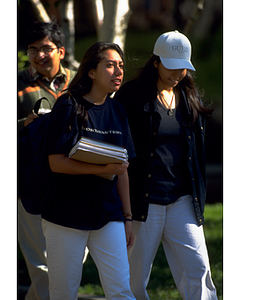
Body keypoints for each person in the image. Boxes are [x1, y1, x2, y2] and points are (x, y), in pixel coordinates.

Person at [114, 31, 218, 300]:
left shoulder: (188, 95)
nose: (178, 73)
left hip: (182, 198)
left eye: (183, 67)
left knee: (198, 270)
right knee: (133, 278)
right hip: (142, 202)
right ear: (156, 62)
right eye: (171, 66)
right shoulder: (131, 96)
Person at [41, 42, 136, 300]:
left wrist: (127, 218)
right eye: (109, 64)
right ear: (91, 72)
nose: (118, 71)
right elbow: (56, 162)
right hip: (66, 215)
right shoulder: (68, 106)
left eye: (121, 65)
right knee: (64, 293)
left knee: (121, 291)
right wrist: (102, 168)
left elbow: (122, 168)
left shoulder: (118, 111)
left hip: (109, 214)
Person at [17, 21, 75, 300]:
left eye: (46, 48)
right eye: (32, 49)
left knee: (70, 258)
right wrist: (24, 123)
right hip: (31, 182)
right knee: (43, 265)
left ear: (61, 51)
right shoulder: (15, 84)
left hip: (75, 179)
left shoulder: (80, 81)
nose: (39, 55)